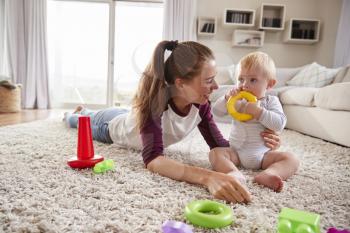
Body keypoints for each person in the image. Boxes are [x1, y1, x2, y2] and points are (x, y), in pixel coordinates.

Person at [64, 41, 282, 203]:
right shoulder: (156, 106)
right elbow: (153, 160)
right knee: (81, 120)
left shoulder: (201, 105)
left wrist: (259, 140)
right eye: (208, 80)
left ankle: (89, 112)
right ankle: (74, 113)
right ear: (180, 84)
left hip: (129, 116)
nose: (216, 87)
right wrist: (207, 177)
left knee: (119, 112)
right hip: (110, 127)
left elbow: (218, 144)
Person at [211, 51, 299, 192]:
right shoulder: (238, 101)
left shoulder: (271, 101)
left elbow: (279, 124)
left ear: (269, 84)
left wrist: (259, 113)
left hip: (263, 155)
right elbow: (217, 113)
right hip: (236, 153)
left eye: (252, 80)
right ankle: (232, 172)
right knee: (215, 153)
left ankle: (269, 174)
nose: (245, 85)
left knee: (291, 159)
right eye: (241, 79)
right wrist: (227, 98)